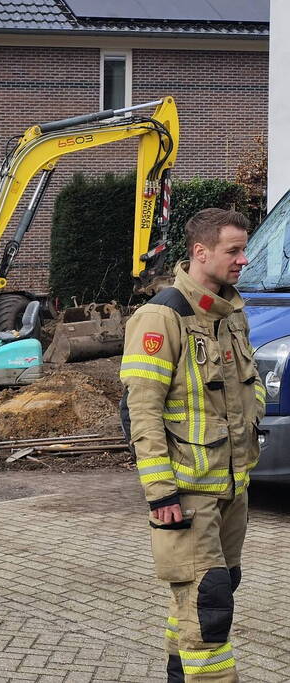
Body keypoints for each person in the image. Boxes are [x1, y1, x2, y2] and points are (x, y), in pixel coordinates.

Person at [120, 208, 263, 682]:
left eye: (244, 248)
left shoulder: (230, 313)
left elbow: (250, 386)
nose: (244, 259)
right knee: (209, 603)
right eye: (234, 250)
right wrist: (160, 493)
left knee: (209, 593)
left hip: (232, 488)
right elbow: (141, 410)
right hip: (187, 493)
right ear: (201, 252)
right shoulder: (163, 315)